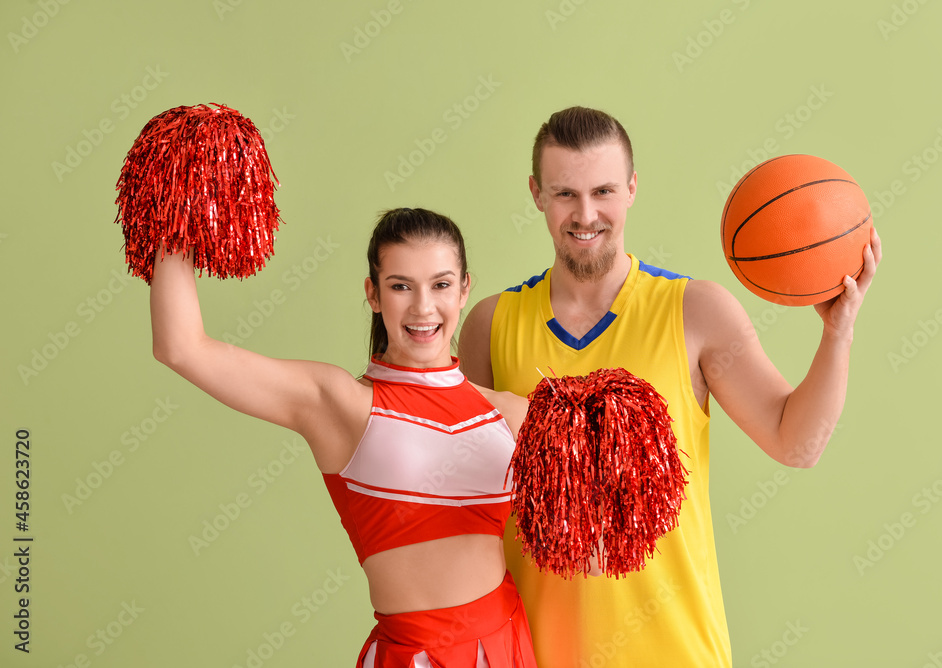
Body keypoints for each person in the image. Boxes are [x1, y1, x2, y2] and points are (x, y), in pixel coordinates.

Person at [458, 107, 882, 667]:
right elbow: (459, 503)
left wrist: (837, 332)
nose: (586, 214)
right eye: (565, 194)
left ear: (632, 188)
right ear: (537, 194)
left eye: (604, 190)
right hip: (532, 655)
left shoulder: (695, 312)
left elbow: (797, 444)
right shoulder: (491, 324)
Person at [150, 207, 537, 667]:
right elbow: (181, 347)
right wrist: (174, 199)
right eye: (400, 286)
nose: (422, 307)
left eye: (441, 284)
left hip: (508, 646)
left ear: (464, 288)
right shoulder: (338, 404)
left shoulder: (512, 412)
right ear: (373, 294)